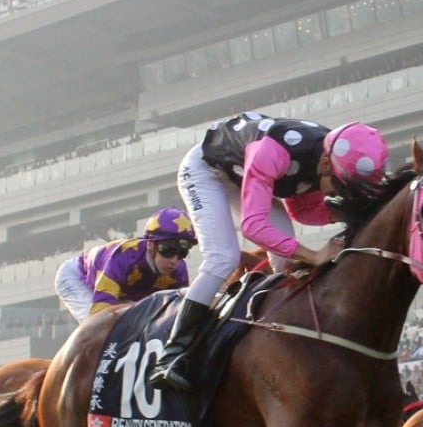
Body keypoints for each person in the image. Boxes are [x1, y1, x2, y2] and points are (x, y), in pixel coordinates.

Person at [148, 113, 389, 392]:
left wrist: (342, 213)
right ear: (325, 164)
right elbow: (253, 226)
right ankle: (173, 354)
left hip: (243, 169)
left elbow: (302, 210)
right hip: (206, 170)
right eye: (339, 186)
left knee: (285, 258)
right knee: (222, 258)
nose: (338, 192)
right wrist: (313, 255)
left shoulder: (328, 157)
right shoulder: (276, 152)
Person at [54, 207, 193, 323]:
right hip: (78, 278)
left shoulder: (179, 271)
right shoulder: (122, 258)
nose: (174, 260)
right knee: (99, 328)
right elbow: (101, 312)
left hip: (124, 291)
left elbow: (180, 315)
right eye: (168, 250)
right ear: (151, 245)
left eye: (182, 253)